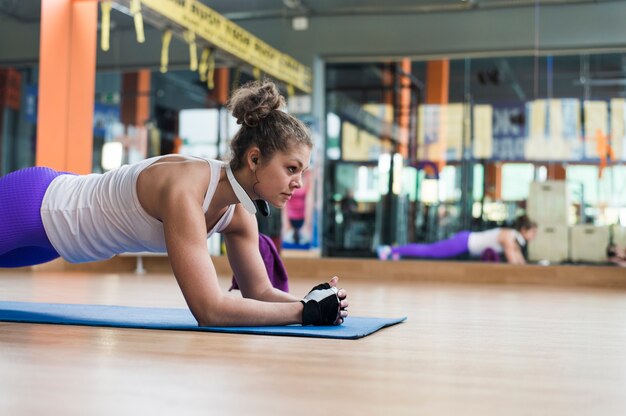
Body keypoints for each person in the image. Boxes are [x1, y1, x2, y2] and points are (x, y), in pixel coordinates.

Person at [0, 79, 348, 327]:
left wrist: (310, 302)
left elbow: (258, 292)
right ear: (255, 159)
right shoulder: (187, 191)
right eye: (291, 169)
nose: (298, 183)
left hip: (57, 242)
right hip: (30, 207)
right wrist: (304, 314)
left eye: (302, 171)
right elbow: (209, 311)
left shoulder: (240, 213)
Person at [377, 216, 538, 265]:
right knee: (430, 251)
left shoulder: (514, 240)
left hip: (465, 242)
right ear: (523, 230)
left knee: (430, 250)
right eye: (533, 232)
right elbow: (515, 264)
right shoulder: (508, 237)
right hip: (464, 242)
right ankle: (391, 250)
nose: (534, 236)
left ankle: (395, 252)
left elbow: (521, 264)